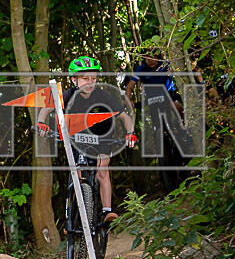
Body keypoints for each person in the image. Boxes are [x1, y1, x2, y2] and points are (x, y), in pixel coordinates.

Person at [37, 56, 137, 222]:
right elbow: (46, 109)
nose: (90, 82)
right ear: (74, 80)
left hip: (102, 138)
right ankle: (75, 216)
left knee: (102, 170)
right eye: (85, 79)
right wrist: (41, 123)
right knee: (77, 171)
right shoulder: (67, 95)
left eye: (93, 78)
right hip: (77, 138)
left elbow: (125, 117)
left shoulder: (102, 95)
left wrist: (130, 133)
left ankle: (107, 212)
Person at [124, 48, 183, 114]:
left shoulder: (165, 64)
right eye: (146, 56)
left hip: (169, 93)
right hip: (152, 97)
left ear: (156, 56)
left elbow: (178, 72)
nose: (149, 58)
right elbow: (130, 86)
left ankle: (186, 122)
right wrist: (128, 100)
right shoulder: (141, 69)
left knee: (175, 105)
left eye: (151, 56)